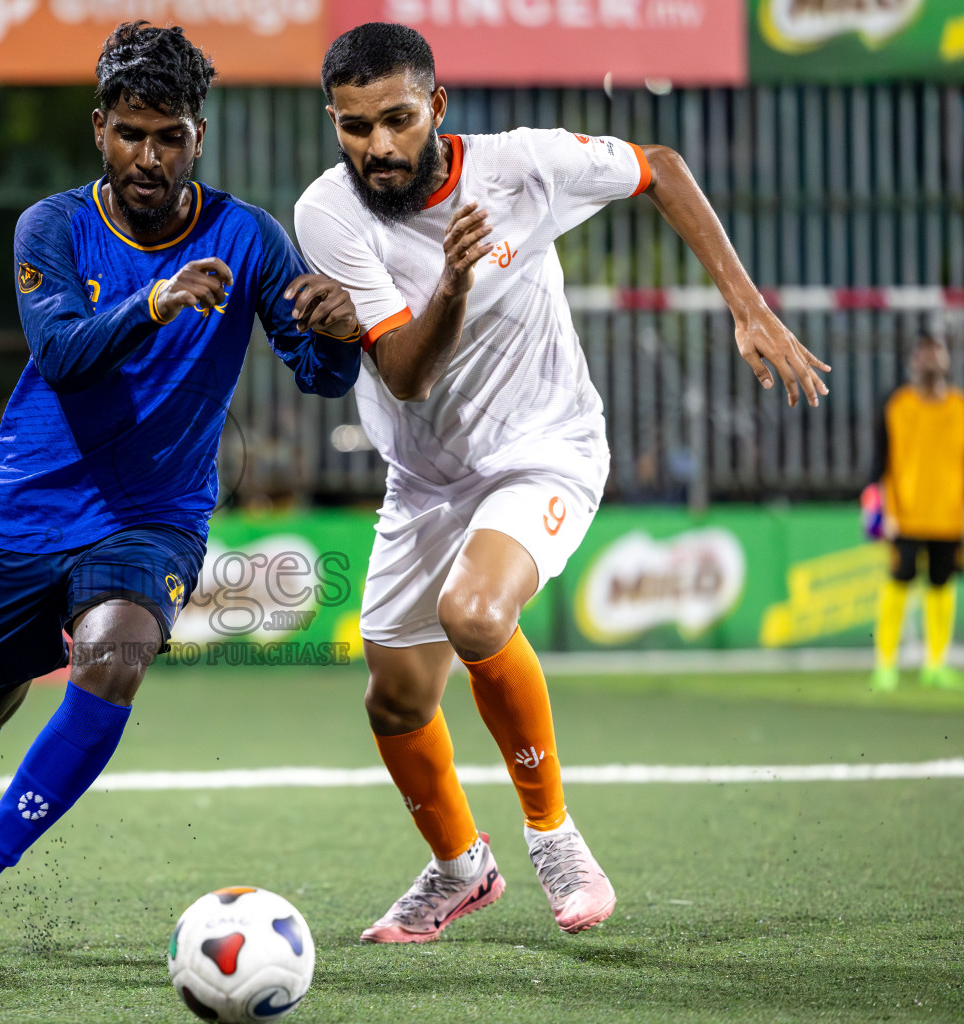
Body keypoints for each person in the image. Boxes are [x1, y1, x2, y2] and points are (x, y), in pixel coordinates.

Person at [292, 23, 829, 943]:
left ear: (438, 107)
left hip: (547, 448)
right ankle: (462, 867)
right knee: (394, 699)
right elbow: (409, 375)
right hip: (425, 478)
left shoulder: (524, 167)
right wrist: (453, 283)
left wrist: (749, 306)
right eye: (353, 127)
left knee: (474, 614)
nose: (377, 146)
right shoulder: (329, 213)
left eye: (396, 119)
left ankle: (555, 838)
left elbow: (658, 163)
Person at [0, 21, 362, 955]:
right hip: (30, 505)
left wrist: (342, 332)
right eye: (131, 133)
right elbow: (63, 355)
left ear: (201, 135)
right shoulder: (52, 227)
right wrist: (154, 301)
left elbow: (318, 375)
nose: (149, 157)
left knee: (113, 659)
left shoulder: (250, 238)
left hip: (154, 516)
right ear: (98, 127)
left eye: (171, 136)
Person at [871, 336, 963, 692]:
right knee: (899, 584)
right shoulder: (897, 406)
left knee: (941, 587)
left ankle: (936, 663)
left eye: (935, 353)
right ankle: (885, 663)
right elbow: (880, 464)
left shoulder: (959, 407)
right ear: (912, 363)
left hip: (949, 518)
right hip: (904, 516)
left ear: (946, 362)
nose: (929, 361)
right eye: (923, 354)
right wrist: (882, 512)